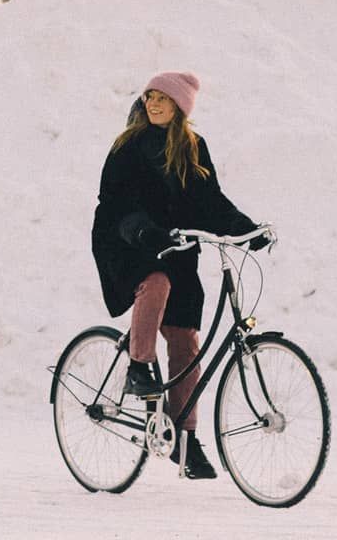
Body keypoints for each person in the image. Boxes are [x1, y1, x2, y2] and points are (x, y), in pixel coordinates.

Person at [91, 71, 269, 479]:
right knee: (156, 283)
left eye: (162, 100)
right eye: (149, 97)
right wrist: (141, 230)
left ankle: (184, 441)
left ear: (179, 108)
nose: (153, 104)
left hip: (176, 246)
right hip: (125, 242)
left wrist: (246, 230)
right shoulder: (129, 146)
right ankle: (139, 366)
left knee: (186, 338)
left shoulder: (193, 147)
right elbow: (115, 202)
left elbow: (212, 202)